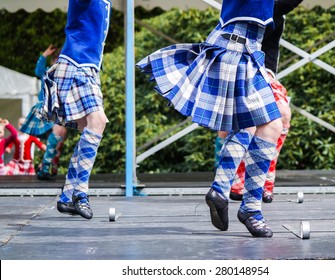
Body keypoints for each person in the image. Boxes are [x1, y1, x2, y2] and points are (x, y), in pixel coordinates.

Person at [137, 0, 284, 237]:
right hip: (237, 48)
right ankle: (245, 204)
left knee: (268, 125)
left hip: (243, 50)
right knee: (253, 123)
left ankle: (231, 195)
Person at [216, 0, 303, 203]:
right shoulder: (259, 4)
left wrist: (269, 74)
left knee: (280, 114)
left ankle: (260, 182)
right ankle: (229, 184)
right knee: (242, 123)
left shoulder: (275, 8)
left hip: (263, 70)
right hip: (237, 65)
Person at [37, 0, 111, 219]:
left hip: (88, 67)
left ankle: (67, 195)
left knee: (91, 128)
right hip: (77, 65)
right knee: (98, 122)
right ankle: (80, 194)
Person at [21, 44, 68, 180]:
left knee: (62, 134)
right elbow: (38, 71)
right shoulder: (47, 72)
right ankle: (45, 167)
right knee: (59, 131)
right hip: (45, 109)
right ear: (54, 61)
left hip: (57, 110)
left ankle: (51, 160)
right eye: (58, 61)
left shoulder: (65, 76)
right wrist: (44, 55)